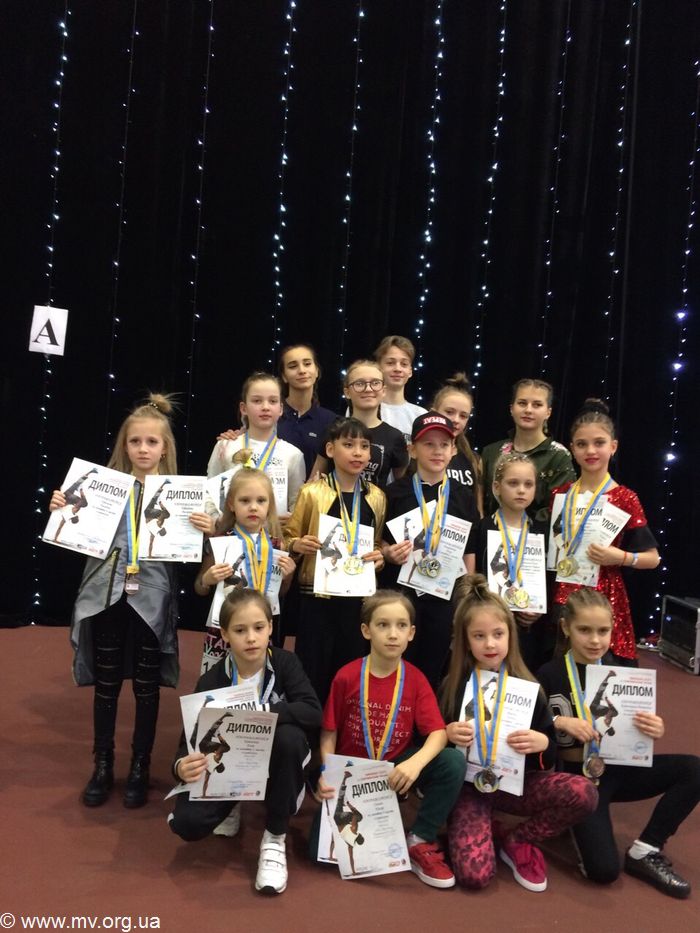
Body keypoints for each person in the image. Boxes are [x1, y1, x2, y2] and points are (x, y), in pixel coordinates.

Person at [48, 393, 213, 808]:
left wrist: (207, 527)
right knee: (106, 685)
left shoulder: (181, 495)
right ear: (125, 445)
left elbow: (199, 550)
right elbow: (73, 529)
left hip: (152, 600)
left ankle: (140, 765)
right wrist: (61, 507)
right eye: (135, 441)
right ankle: (103, 764)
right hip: (106, 594)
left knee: (146, 686)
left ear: (165, 448)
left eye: (151, 442)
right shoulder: (102, 488)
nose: (143, 449)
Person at [537, 588, 700, 898]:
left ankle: (646, 849)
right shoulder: (549, 673)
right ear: (566, 628)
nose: (595, 640)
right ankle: (570, 817)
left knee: (693, 769)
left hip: (620, 770)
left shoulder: (625, 673)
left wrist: (653, 727)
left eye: (603, 631)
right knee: (603, 871)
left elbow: (635, 727)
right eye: (584, 630)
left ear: (613, 629)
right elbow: (528, 728)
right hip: (579, 779)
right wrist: (558, 721)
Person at [442, 575, 598, 892]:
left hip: (516, 785)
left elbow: (548, 758)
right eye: (479, 636)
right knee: (475, 876)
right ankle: (482, 827)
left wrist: (543, 742)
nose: (490, 644)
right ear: (466, 640)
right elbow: (430, 744)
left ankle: (519, 839)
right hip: (470, 788)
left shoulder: (529, 687)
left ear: (510, 636)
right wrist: (446, 734)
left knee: (584, 793)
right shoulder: (453, 686)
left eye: (498, 634)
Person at [168, 588, 322, 896]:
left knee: (291, 738)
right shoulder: (212, 679)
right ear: (225, 634)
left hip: (275, 761)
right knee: (186, 824)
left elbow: (312, 712)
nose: (251, 638)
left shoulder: (286, 663)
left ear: (270, 628)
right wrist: (180, 766)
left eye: (258, 627)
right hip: (229, 768)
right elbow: (190, 737)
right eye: (240, 630)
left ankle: (275, 836)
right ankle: (233, 802)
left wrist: (264, 712)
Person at [317, 590, 466, 888]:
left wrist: (414, 764)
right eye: (383, 625)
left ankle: (419, 839)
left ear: (411, 633)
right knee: (320, 855)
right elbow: (329, 731)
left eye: (401, 625)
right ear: (366, 630)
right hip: (352, 776)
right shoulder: (347, 676)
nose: (393, 634)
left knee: (452, 761)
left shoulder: (416, 679)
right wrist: (326, 773)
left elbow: (438, 733)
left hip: (394, 772)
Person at [284, 417, 386, 704]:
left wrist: (378, 558)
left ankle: (342, 725)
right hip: (317, 595)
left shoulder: (377, 496)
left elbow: (376, 544)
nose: (357, 452)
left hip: (356, 598)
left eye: (364, 446)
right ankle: (309, 723)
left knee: (350, 667)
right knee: (312, 666)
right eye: (348, 445)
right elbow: (288, 538)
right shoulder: (312, 493)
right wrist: (297, 545)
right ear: (330, 450)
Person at [551, 398, 660, 661]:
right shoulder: (560, 495)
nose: (591, 450)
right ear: (572, 449)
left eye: (599, 443)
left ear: (613, 447)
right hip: (564, 593)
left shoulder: (625, 498)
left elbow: (653, 558)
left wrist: (620, 557)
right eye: (582, 444)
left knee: (604, 669)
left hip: (605, 597)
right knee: (560, 669)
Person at [382, 411, 479, 688]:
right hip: (402, 595)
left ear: (453, 450)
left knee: (433, 668)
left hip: (444, 598)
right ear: (412, 449)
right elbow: (380, 541)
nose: (437, 451)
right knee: (397, 663)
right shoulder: (395, 493)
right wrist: (388, 553)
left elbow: (469, 551)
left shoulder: (463, 496)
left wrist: (465, 599)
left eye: (444, 444)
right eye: (428, 444)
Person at [195, 467, 296, 667]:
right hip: (223, 630)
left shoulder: (277, 546)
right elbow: (199, 587)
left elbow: (279, 593)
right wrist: (207, 579)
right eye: (245, 501)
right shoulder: (220, 541)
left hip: (258, 631)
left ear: (270, 505)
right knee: (218, 682)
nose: (253, 507)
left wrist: (288, 576)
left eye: (261, 500)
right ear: (231, 504)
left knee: (256, 681)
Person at [467, 452, 553, 671]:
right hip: (488, 626)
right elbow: (470, 579)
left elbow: (547, 581)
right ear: (497, 487)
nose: (521, 490)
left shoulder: (541, 532)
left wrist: (537, 609)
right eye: (513, 483)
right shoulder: (481, 529)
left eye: (528, 484)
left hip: (527, 629)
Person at [206, 372, 305, 520]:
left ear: (280, 409)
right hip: (230, 531)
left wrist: (290, 522)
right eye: (257, 401)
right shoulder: (225, 446)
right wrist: (217, 523)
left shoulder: (293, 454)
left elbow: (295, 503)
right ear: (243, 408)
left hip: (272, 533)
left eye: (272, 401)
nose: (265, 407)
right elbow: (209, 493)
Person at [481, 378, 575, 522]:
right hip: (490, 531)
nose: (528, 410)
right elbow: (481, 503)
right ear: (511, 408)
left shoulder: (559, 456)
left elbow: (559, 510)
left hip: (537, 534)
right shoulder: (491, 452)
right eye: (522, 403)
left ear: (548, 412)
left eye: (537, 405)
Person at [311, 359, 409, 490]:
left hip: (376, 503)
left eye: (375, 383)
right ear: (347, 392)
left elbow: (402, 487)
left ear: (383, 390)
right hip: (332, 502)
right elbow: (314, 480)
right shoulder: (334, 429)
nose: (368, 389)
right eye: (359, 384)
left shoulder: (394, 436)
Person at [429, 372, 483, 515]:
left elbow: (478, 509)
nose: (456, 420)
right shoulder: (421, 454)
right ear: (433, 412)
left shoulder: (473, 459)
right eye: (449, 412)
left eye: (463, 416)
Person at [372, 335, 427, 442]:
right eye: (390, 363)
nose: (398, 369)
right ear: (379, 367)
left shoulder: (421, 415)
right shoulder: (365, 408)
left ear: (410, 371)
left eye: (404, 364)